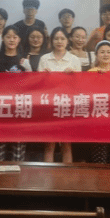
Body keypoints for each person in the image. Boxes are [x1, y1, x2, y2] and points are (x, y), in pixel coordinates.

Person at [0, 25, 30, 161]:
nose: (11, 40)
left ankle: (17, 173)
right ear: (3, 38)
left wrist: (28, 71)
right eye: (8, 37)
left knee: (18, 149)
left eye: (15, 37)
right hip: (0, 108)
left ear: (19, 39)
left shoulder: (23, 60)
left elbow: (31, 85)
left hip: (19, 109)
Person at [38, 27, 81, 163]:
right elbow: (38, 85)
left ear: (68, 41)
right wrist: (42, 76)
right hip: (49, 106)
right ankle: (47, 175)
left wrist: (73, 76)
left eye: (62, 38)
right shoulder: (44, 59)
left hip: (68, 106)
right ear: (51, 40)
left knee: (67, 145)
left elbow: (80, 86)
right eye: (56, 38)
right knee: (49, 145)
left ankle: (67, 175)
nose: (59, 41)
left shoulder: (74, 60)